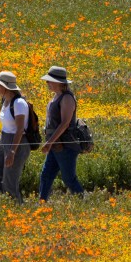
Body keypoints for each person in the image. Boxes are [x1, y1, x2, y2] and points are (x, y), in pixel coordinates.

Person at [38, 66, 84, 201]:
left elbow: (64, 124)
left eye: (50, 81)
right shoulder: (57, 96)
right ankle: (42, 203)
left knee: (68, 178)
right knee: (46, 175)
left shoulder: (67, 98)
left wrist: (49, 141)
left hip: (65, 145)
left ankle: (82, 201)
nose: (47, 83)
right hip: (56, 143)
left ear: (60, 82)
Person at [0, 71, 32, 203]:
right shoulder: (5, 101)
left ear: (5, 87)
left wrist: (12, 151)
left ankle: (16, 208)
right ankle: (6, 204)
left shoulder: (19, 103)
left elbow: (19, 129)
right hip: (3, 141)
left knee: (9, 183)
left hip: (17, 143)